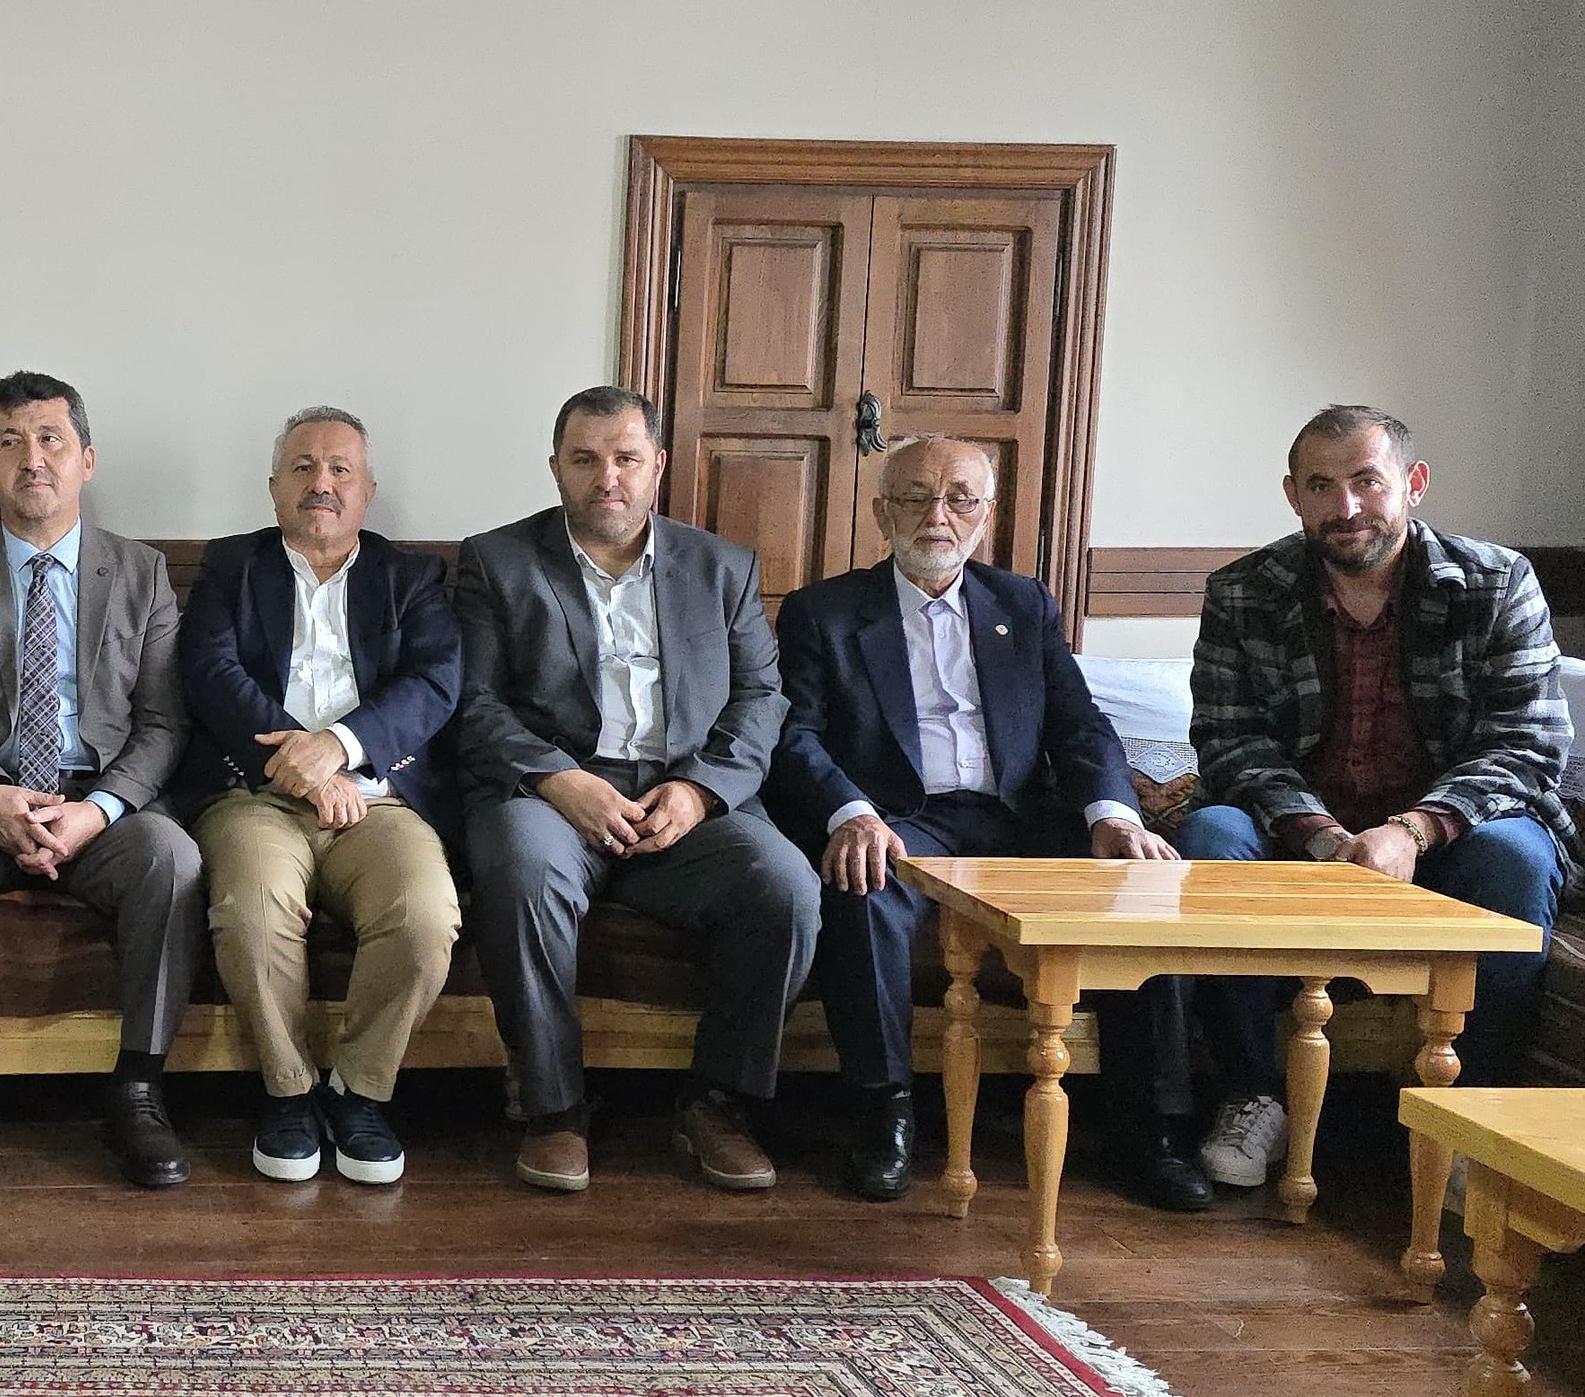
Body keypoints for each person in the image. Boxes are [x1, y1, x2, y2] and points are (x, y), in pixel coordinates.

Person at [768, 436, 1199, 1209]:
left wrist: (1112, 813)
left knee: (1142, 886)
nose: (938, 516)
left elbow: (1079, 724)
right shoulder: (822, 612)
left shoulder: (1024, 605)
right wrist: (852, 812)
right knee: (859, 886)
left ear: (986, 515)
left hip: (1018, 816)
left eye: (959, 498)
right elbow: (794, 735)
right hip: (903, 818)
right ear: (882, 513)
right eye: (915, 498)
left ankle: (1152, 1130)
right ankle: (883, 1112)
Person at [1180, 405, 1573, 1187]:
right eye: (1322, 486)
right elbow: (1229, 740)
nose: (1347, 506)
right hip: (1299, 837)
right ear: (1293, 495)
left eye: (1368, 481)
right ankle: (1253, 1091)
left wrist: (1413, 829)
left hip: (1454, 836)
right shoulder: (1243, 591)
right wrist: (1320, 833)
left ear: (1413, 483)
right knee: (1212, 836)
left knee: (1519, 859)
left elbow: (1525, 744)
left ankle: (1474, 1110)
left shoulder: (1497, 582)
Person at [455, 385, 817, 1196]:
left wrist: (701, 791)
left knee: (785, 886)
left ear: (658, 465)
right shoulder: (498, 562)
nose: (606, 478)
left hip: (684, 800)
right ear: (556, 468)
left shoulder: (722, 568)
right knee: (522, 867)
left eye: (625, 458)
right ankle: (554, 1108)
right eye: (585, 460)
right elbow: (473, 702)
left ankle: (716, 1102)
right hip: (551, 795)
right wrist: (559, 778)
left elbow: (762, 698)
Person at [0, 370, 204, 1190]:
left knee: (173, 857)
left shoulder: (141, 572)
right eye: (9, 442)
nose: (32, 459)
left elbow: (163, 724)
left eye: (50, 439)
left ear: (86, 459)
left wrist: (96, 811)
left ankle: (139, 1087)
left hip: (96, 799)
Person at [174, 406, 462, 1185]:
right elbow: (209, 671)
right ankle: (289, 1090)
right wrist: (301, 765)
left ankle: (359, 1090)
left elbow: (435, 682)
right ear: (274, 486)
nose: (321, 483)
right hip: (253, 794)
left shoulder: (410, 578)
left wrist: (339, 747)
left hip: (379, 799)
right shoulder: (232, 566)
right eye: (302, 467)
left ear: (368, 490)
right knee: (252, 909)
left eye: (340, 469)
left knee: (425, 914)